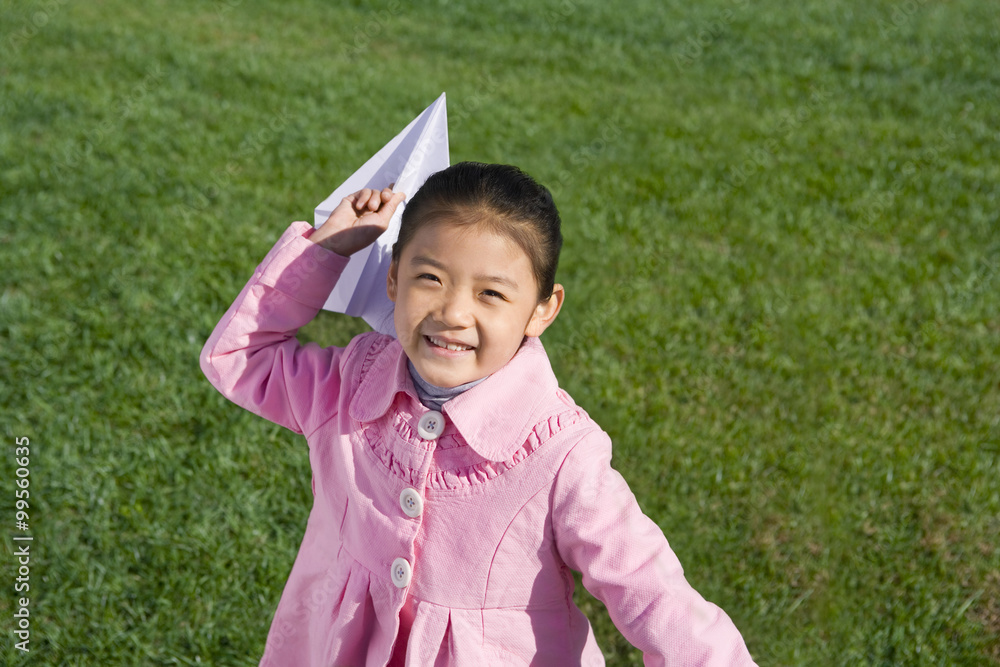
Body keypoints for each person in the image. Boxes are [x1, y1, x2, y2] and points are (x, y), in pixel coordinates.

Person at [200, 162, 757, 666]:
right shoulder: (352, 381)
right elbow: (239, 358)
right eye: (429, 278)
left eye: (491, 293)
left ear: (543, 310)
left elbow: (652, 594)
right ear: (393, 279)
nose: (453, 312)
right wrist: (326, 249)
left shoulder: (561, 455)